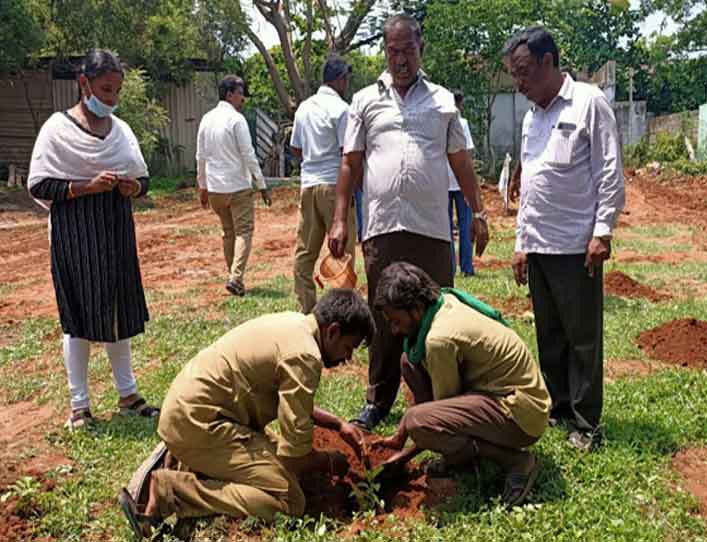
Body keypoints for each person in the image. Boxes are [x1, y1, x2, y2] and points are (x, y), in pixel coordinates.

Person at [327, 13, 490, 431]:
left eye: (408, 50)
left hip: (431, 229)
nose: (400, 59)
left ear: (421, 49)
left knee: (436, 311)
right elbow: (350, 163)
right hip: (382, 226)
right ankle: (378, 400)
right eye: (393, 50)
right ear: (385, 51)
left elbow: (461, 160)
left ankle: (438, 398)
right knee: (384, 317)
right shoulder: (364, 100)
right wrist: (339, 220)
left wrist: (479, 212)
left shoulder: (442, 102)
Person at [118, 289, 376, 539]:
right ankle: (172, 492)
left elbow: (290, 403)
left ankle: (190, 462)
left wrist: (338, 424)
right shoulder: (305, 355)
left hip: (188, 412)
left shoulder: (293, 325)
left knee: (276, 461)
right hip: (201, 425)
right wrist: (329, 461)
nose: (347, 358)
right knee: (291, 501)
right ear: (333, 331)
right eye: (348, 347)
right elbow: (295, 453)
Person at [504, 26, 625, 451]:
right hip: (539, 244)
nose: (518, 84)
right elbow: (532, 184)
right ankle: (558, 409)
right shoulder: (531, 117)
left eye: (523, 73)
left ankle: (586, 421)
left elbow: (609, 170)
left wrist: (603, 231)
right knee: (549, 335)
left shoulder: (589, 103)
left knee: (582, 337)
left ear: (548, 63)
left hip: (576, 245)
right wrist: (521, 243)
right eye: (514, 75)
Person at [27, 49, 159, 430]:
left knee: (117, 310)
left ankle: (128, 394)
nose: (112, 99)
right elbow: (39, 184)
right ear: (84, 84)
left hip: (115, 233)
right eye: (106, 89)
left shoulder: (121, 131)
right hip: (76, 237)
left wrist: (134, 187)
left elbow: (144, 178)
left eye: (117, 91)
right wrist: (85, 187)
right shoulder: (57, 129)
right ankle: (79, 405)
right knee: (79, 319)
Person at [373, 262, 550, 506]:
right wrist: (404, 438)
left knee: (418, 420)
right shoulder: (443, 302)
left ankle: (515, 460)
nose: (394, 330)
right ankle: (459, 454)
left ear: (415, 309)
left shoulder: (439, 340)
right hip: (499, 395)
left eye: (395, 320)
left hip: (521, 414)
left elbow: (437, 413)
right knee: (410, 363)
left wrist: (404, 453)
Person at [291, 54, 357, 313]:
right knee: (342, 253)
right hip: (334, 186)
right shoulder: (342, 109)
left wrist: (313, 155)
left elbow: (296, 149)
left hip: (308, 186)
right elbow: (348, 153)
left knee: (305, 252)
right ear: (340, 80)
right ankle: (341, 317)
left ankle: (306, 311)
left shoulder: (304, 108)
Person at [196, 75, 271, 297]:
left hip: (216, 188)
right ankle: (236, 278)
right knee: (244, 232)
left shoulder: (206, 119)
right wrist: (262, 185)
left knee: (228, 232)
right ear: (229, 94)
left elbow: (200, 156)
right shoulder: (236, 120)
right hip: (237, 186)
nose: (243, 99)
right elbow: (248, 154)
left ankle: (233, 277)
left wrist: (202, 186)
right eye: (240, 94)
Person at [447, 90, 476, 277]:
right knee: (465, 224)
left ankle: (449, 267)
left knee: (445, 226)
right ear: (460, 103)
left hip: (443, 181)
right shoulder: (462, 123)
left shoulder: (439, 120)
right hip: (460, 181)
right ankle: (466, 267)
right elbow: (469, 152)